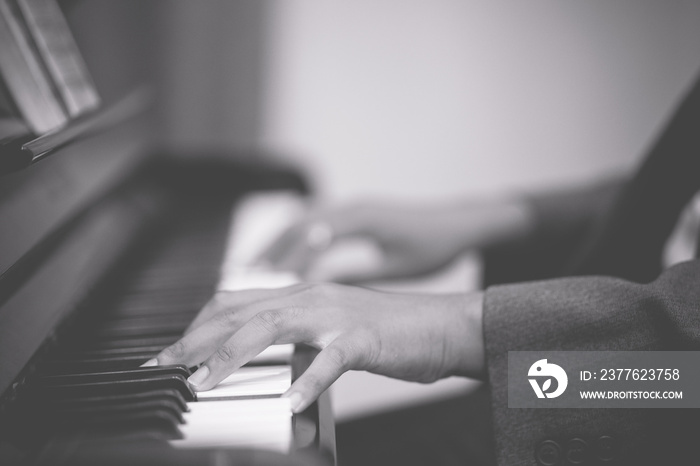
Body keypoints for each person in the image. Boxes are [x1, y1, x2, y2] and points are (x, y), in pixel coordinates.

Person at [148, 72, 700, 465]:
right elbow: (674, 192)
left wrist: (450, 329)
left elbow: (680, 380)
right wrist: (488, 218)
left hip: (656, 389)